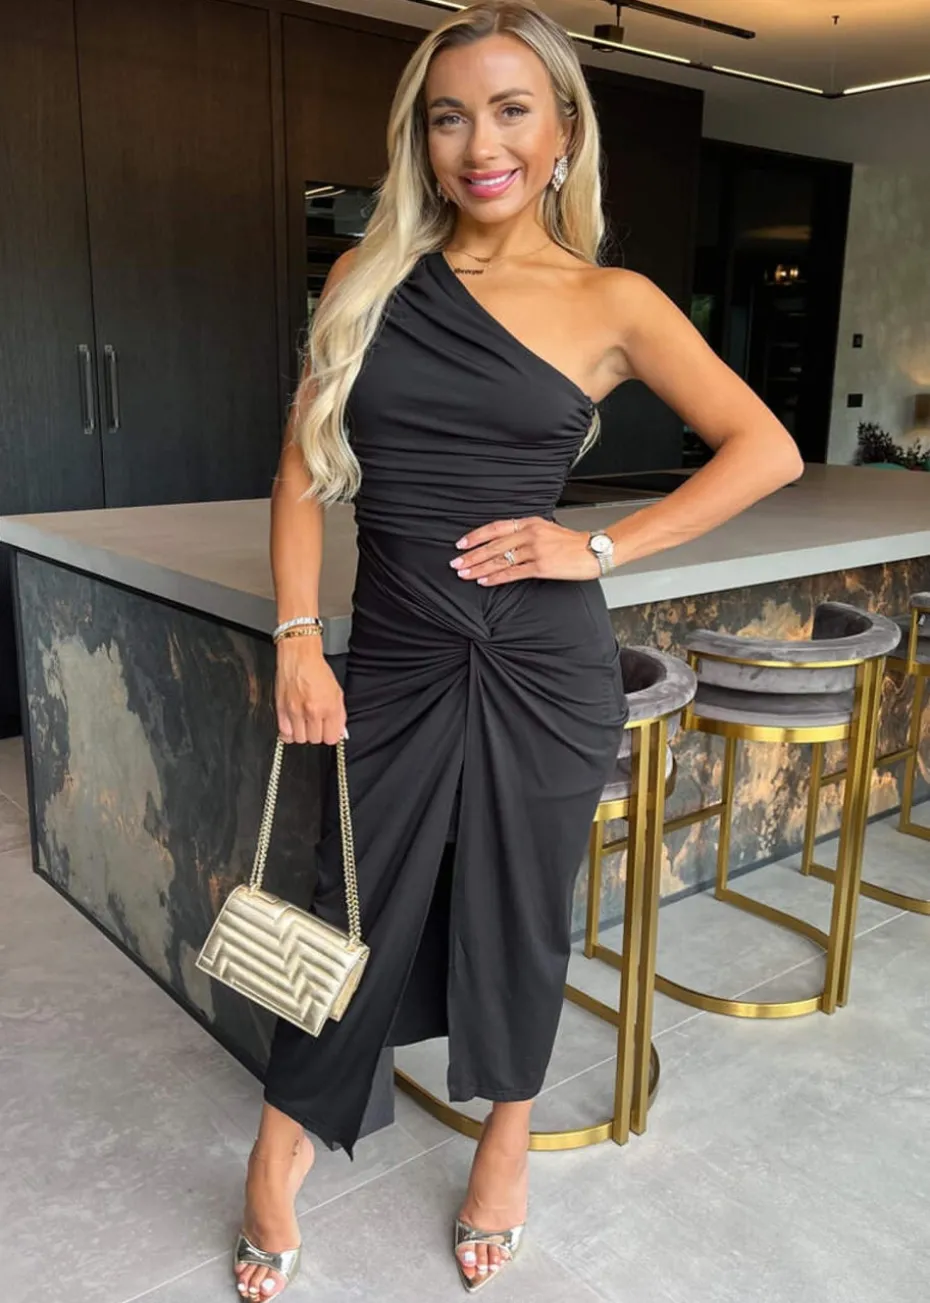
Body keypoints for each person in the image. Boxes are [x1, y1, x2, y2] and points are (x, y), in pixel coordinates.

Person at [232, 1, 804, 1297]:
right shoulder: (367, 275)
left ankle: (506, 1135)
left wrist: (598, 546)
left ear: (561, 135)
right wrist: (299, 635)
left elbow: (764, 447)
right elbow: (299, 471)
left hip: (542, 664)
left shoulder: (614, 299)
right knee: (345, 898)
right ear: (421, 140)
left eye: (508, 111)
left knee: (520, 904)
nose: (478, 144)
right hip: (394, 653)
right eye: (449, 117)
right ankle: (281, 1145)